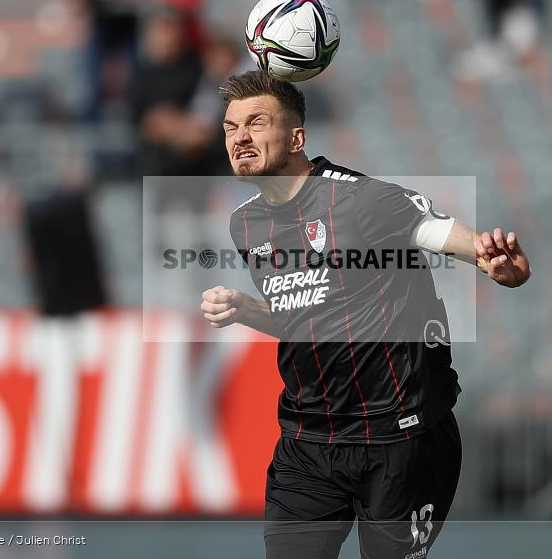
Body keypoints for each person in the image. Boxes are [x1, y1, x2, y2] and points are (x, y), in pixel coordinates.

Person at [200, 71, 530, 559]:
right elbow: (306, 314)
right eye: (230, 127)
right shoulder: (244, 223)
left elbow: (440, 232)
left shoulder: (361, 199)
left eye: (256, 122)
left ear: (297, 138)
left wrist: (492, 260)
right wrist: (248, 310)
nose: (240, 137)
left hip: (402, 438)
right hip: (308, 441)